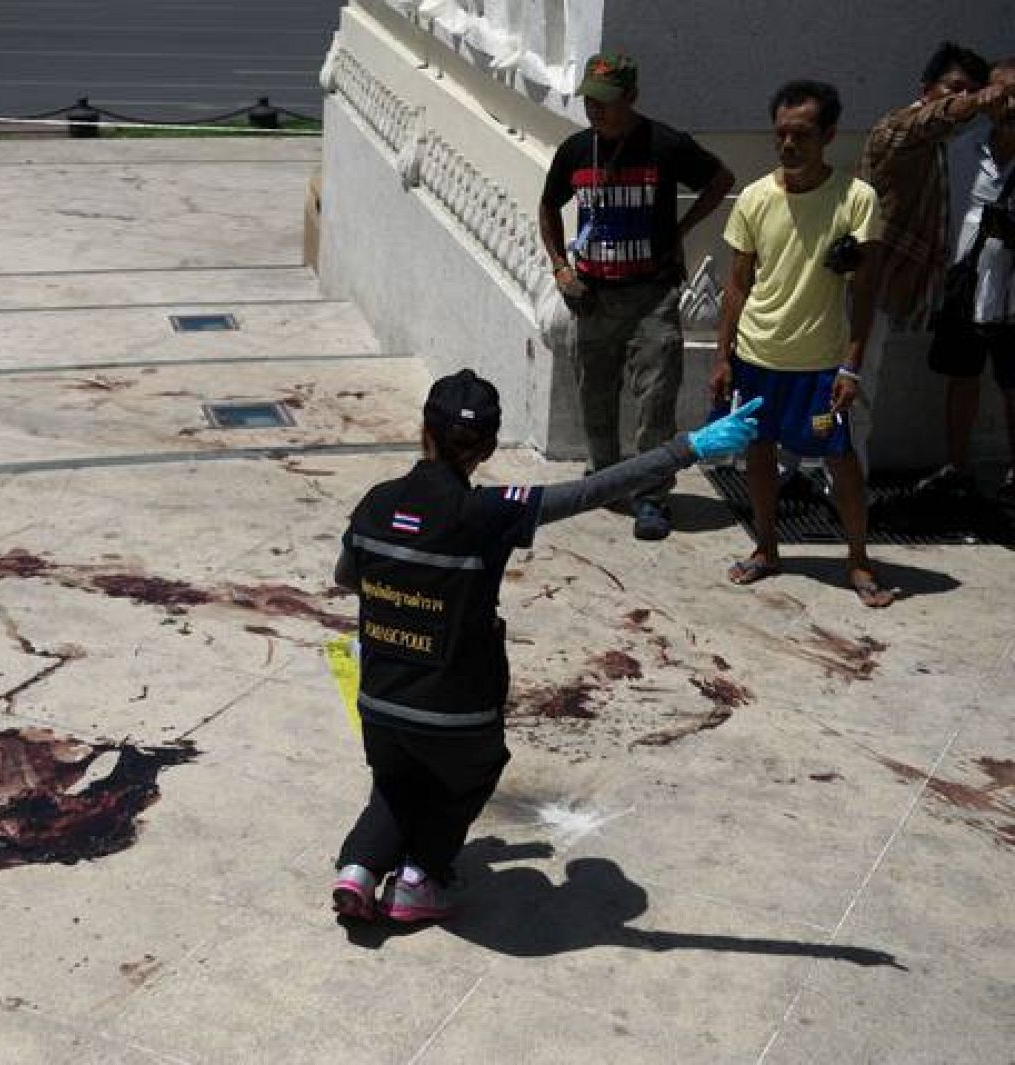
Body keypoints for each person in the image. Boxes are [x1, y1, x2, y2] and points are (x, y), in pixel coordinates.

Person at [330, 369, 761, 923]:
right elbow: (591, 491)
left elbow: (348, 578)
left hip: (381, 700)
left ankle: (358, 870)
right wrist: (688, 448)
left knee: (394, 780)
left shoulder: (375, 503)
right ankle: (419, 880)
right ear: (486, 447)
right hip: (456, 712)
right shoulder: (488, 511)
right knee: (461, 779)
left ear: (424, 432)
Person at [539, 52, 735, 542]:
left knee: (655, 398)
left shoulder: (663, 145)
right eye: (588, 101)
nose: (595, 111)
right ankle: (604, 479)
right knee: (595, 393)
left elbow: (721, 180)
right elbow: (547, 205)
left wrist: (682, 229)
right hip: (594, 297)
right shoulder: (576, 151)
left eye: (606, 102)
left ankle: (651, 495)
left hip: (652, 295)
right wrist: (560, 266)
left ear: (632, 98)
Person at [710, 81, 891, 608]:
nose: (788, 145)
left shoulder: (857, 200)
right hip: (758, 354)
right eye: (781, 134)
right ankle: (766, 548)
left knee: (840, 458)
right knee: (759, 454)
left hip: (820, 362)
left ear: (829, 135)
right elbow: (738, 284)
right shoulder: (754, 198)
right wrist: (723, 357)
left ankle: (858, 559)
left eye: (802, 135)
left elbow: (866, 290)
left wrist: (851, 368)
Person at [859, 42, 1006, 479]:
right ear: (926, 88)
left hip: (898, 292)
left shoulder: (948, 149)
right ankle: (836, 484)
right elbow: (919, 123)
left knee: (856, 386)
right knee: (851, 387)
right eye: (954, 89)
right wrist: (971, 102)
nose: (964, 101)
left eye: (972, 92)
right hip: (862, 283)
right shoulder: (898, 130)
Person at [921, 57, 1015, 500]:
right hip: (965, 283)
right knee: (960, 378)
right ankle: (956, 467)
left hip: (1012, 289)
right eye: (998, 93)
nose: (1005, 102)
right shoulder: (964, 148)